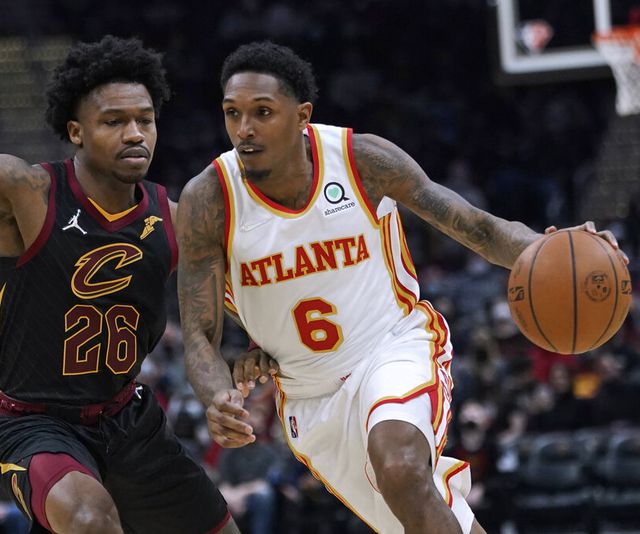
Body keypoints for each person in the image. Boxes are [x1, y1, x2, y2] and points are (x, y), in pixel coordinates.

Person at [176, 41, 627, 533]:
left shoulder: (360, 161)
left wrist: (558, 250)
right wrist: (217, 395)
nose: (245, 129)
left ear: (302, 115)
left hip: (390, 348)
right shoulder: (209, 200)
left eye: (262, 112)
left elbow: (479, 227)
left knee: (400, 466)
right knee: (428, 515)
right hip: (310, 396)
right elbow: (198, 332)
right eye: (232, 113)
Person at [0, 25, 238, 534]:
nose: (135, 133)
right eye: (114, 121)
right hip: (34, 423)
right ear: (76, 131)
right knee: (89, 519)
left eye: (145, 120)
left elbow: (242, 300)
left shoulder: (172, 219)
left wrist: (255, 360)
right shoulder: (25, 189)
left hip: (129, 421)